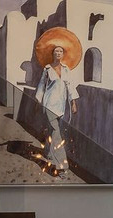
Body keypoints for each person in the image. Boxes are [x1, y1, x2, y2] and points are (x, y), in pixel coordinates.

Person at [35, 45, 79, 177]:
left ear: (63, 54)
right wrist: (38, 101)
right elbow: (41, 85)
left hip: (61, 106)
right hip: (49, 105)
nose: (58, 53)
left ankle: (48, 153)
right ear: (52, 54)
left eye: (60, 51)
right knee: (56, 134)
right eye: (56, 51)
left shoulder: (66, 69)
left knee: (52, 131)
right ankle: (61, 167)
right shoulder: (47, 69)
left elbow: (70, 86)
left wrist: (73, 103)